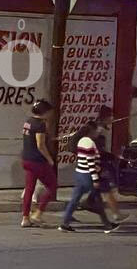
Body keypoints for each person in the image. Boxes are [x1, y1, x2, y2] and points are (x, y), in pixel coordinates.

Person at [59, 121, 117, 232]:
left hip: (79, 173)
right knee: (98, 201)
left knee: (74, 200)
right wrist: (95, 178)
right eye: (96, 130)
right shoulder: (89, 143)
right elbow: (90, 161)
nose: (98, 132)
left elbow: (85, 159)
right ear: (92, 131)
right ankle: (107, 225)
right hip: (87, 175)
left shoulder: (81, 140)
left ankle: (64, 223)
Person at [19, 99, 57, 227]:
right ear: (44, 112)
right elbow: (40, 145)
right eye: (49, 112)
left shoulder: (28, 122)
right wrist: (50, 159)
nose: (50, 114)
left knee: (29, 189)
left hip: (27, 159)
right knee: (52, 186)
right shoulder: (40, 124)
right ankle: (38, 214)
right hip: (38, 161)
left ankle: (25, 218)